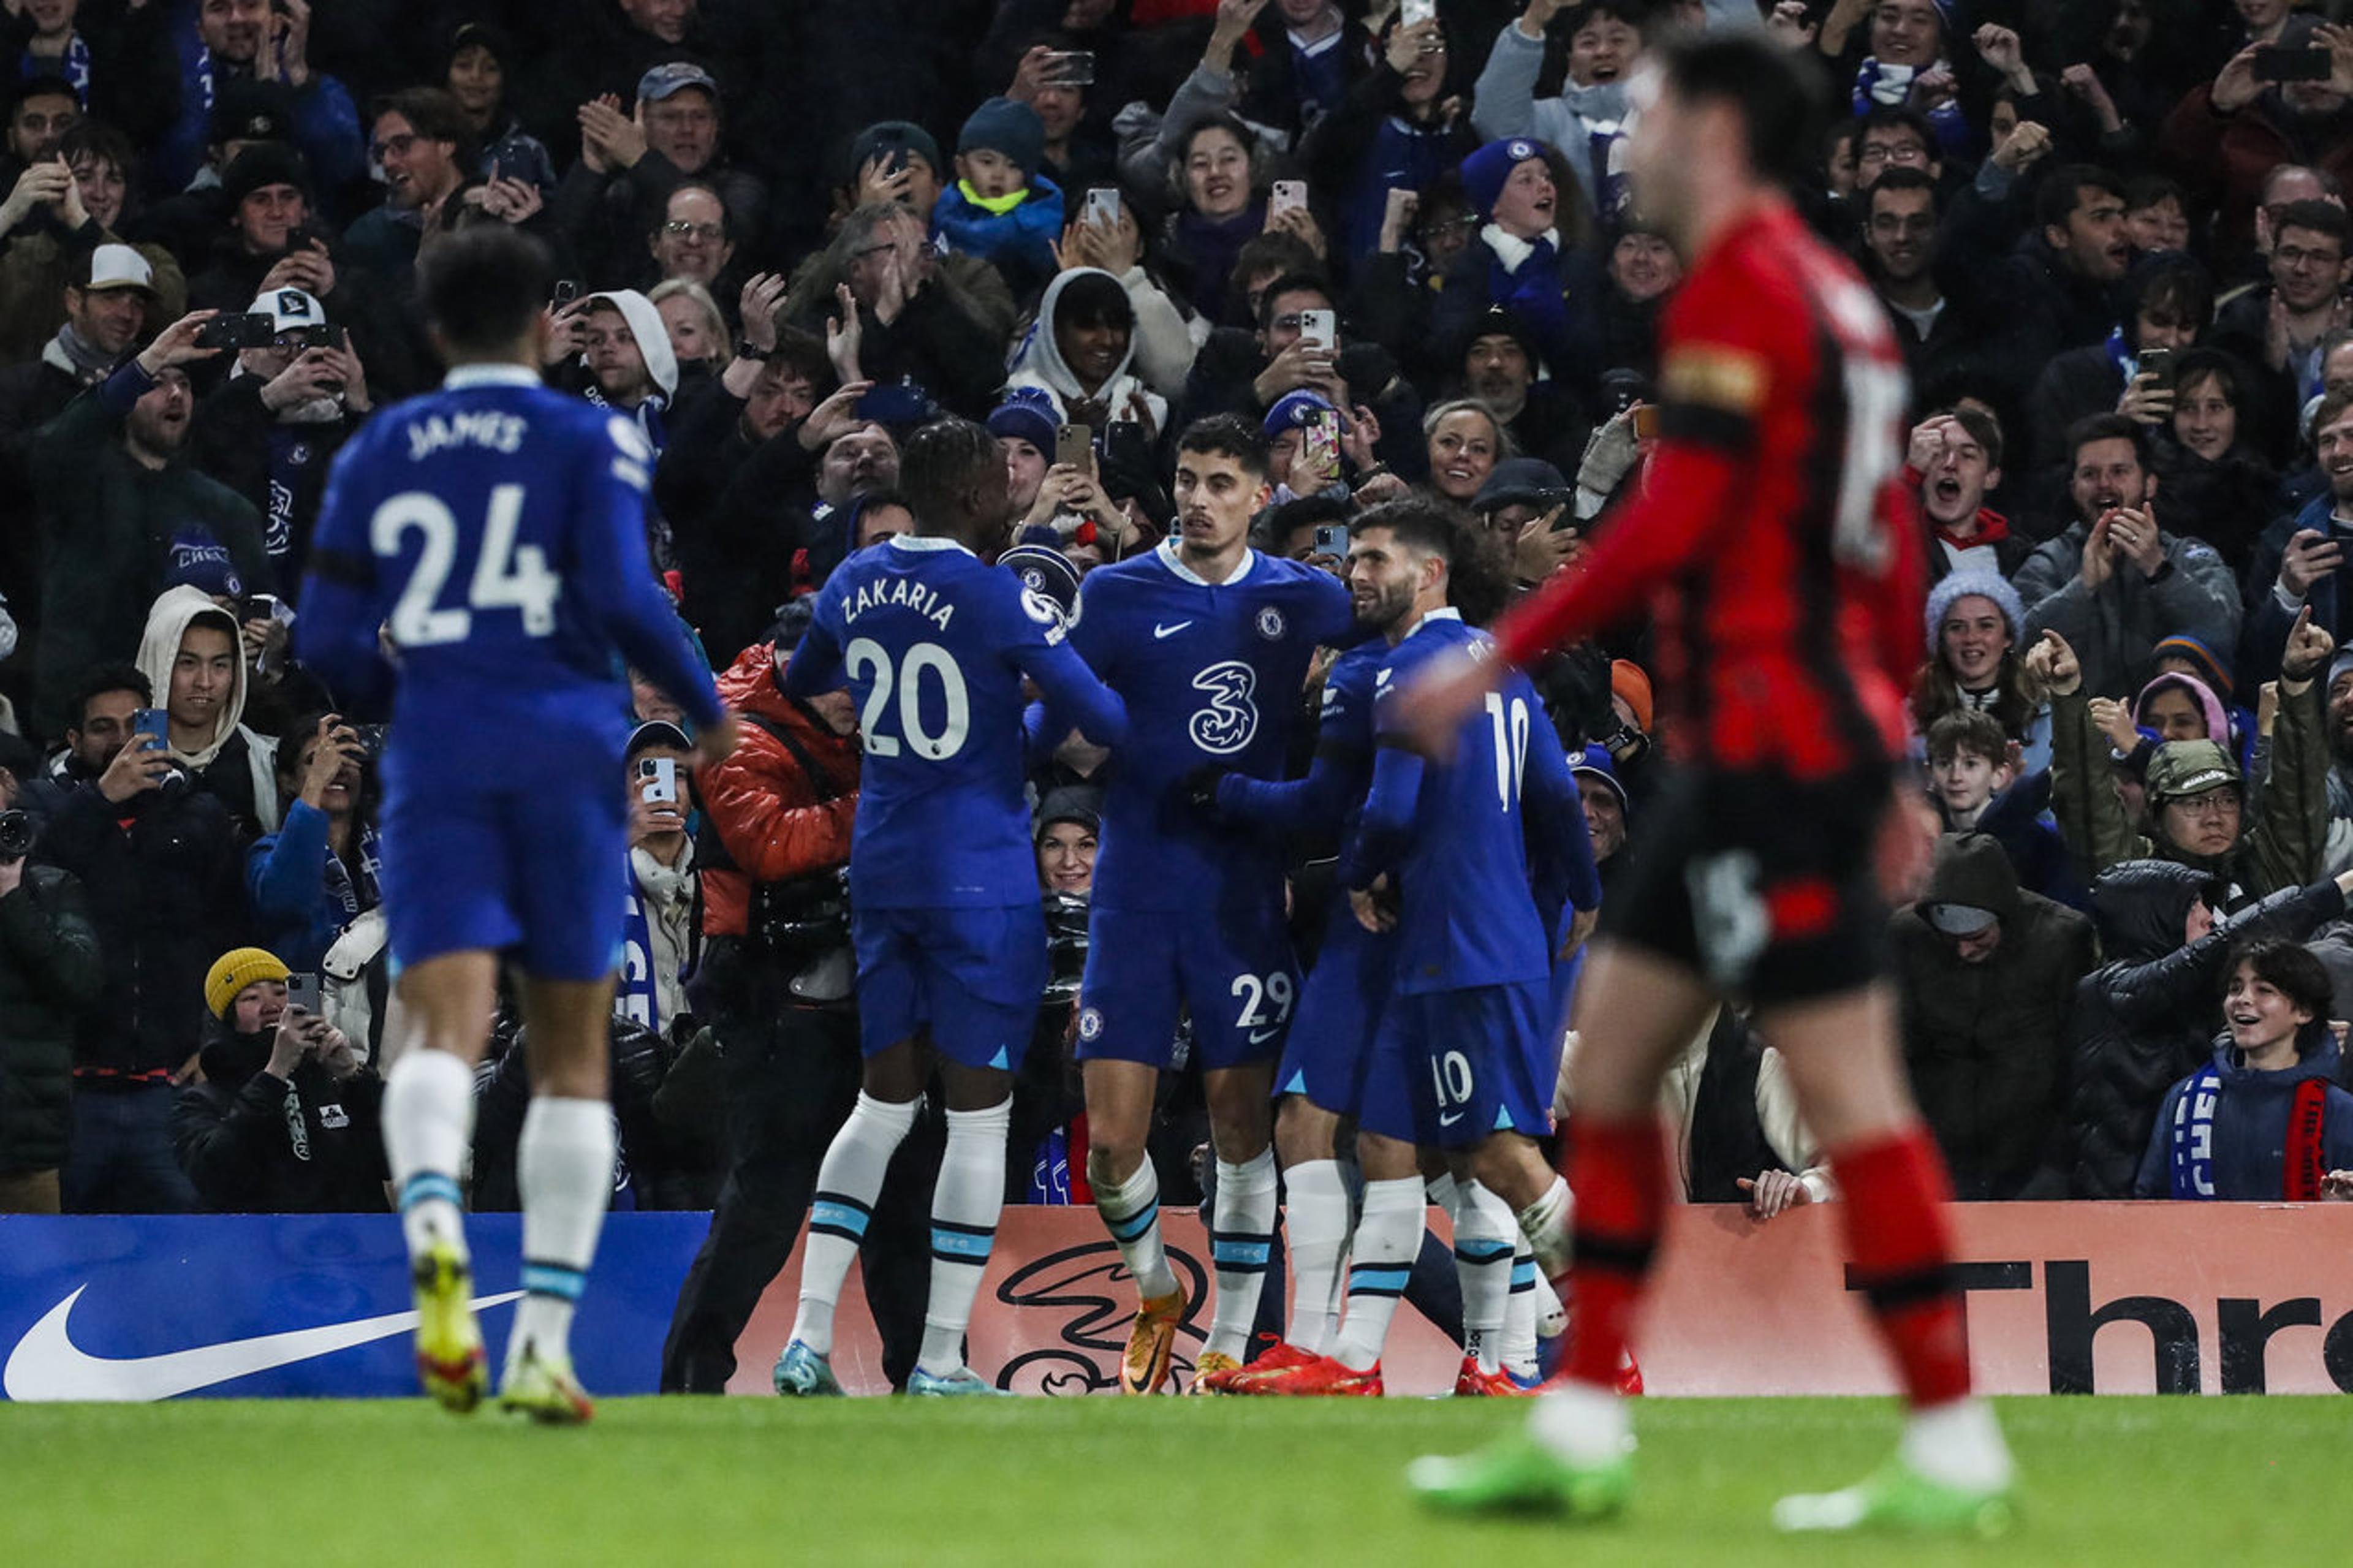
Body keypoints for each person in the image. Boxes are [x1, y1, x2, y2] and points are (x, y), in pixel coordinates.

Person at [1395, 36, 2014, 1532]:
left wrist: (1495, 653)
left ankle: (1948, 1437)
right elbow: (1880, 557)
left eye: (1657, 105)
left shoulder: (1741, 288)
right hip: (1776, 741)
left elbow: (1676, 520)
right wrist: (1895, 745)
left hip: (1770, 745)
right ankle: (1588, 1413)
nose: (1629, 130)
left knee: (1846, 1091)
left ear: (1720, 127)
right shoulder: (1836, 304)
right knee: (1605, 1067)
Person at [292, 225, 733, 1423]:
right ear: (544, 328)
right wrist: (704, 710)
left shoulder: (381, 447)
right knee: (573, 1053)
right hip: (559, 752)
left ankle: (433, 1229)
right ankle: (540, 1338)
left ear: (434, 334)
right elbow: (626, 596)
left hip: (439, 760)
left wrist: (409, 690)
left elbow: (324, 644)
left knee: (434, 1026)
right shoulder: (592, 435)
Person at [764, 419, 1125, 1398]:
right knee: (976, 1118)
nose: (1017, 483)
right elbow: (1104, 717)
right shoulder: (991, 590)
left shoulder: (853, 579)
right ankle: (935, 1361)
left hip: (884, 865)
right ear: (970, 496)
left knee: (880, 1100)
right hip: (979, 879)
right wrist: (1031, 717)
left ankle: (804, 1342)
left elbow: (801, 683)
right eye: (1002, 473)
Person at [1050, 412, 1354, 1393]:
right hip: (1134, 891)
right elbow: (1049, 715)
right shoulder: (1115, 591)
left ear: (1259, 499)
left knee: (1238, 1130)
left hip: (1238, 898)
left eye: (1222, 482)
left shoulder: (1301, 597)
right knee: (1110, 1142)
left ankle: (1228, 1337)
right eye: (1186, 479)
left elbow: (1397, 617)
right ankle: (1154, 1290)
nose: (1197, 498)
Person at [1893, 833, 2095, 1201]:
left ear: (2004, 915)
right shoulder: (1907, 937)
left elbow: (2080, 1056)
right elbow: (1898, 1049)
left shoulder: (2062, 939)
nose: (1963, 950)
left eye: (1977, 937)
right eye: (1950, 939)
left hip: (2036, 1159)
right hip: (1938, 1155)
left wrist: (2063, 1159)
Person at [171, 945, 386, 1213]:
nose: (272, 1006)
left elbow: (393, 1158)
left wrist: (354, 1076)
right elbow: (216, 1177)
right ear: (228, 1019)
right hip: (264, 1245)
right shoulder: (204, 1099)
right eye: (251, 998)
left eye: (281, 992)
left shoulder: (332, 1081)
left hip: (349, 1240)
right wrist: (275, 1072)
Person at [2134, 938, 2353, 1200]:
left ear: (2304, 1012)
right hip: (2196, 1241)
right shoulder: (2184, 1099)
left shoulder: (2340, 1111)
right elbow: (2150, 1202)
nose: (2243, 999)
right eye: (2235, 988)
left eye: (2264, 990)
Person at [0, 803, 102, 1214]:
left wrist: (12, 899)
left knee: (35, 1275)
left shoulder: (54, 889)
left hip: (26, 1145)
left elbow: (80, 981)